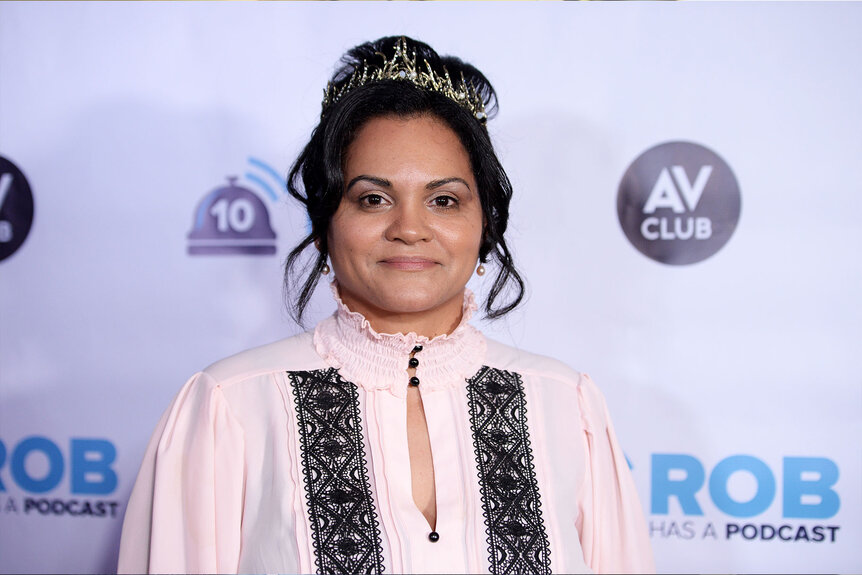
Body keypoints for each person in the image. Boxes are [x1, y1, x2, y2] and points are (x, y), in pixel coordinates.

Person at [118, 36, 654, 574]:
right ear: (326, 224)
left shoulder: (567, 406)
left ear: (484, 224)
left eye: (444, 200)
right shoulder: (228, 406)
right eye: (373, 198)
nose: (410, 229)